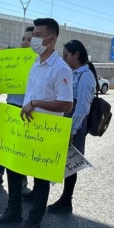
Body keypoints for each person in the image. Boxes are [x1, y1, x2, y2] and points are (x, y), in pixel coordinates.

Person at [0, 18, 73, 228]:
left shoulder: (60, 69)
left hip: (45, 133)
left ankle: (34, 221)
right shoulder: (35, 64)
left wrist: (36, 103)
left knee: (40, 180)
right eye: (33, 34)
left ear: (52, 38)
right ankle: (14, 211)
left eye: (38, 35)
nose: (34, 39)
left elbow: (67, 104)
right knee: (13, 168)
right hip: (25, 128)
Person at [47, 40, 98, 214]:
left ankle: (66, 199)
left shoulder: (86, 75)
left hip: (75, 122)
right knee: (53, 157)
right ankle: (40, 192)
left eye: (66, 55)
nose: (64, 58)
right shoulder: (73, 72)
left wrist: (73, 129)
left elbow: (83, 106)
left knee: (71, 161)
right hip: (65, 120)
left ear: (76, 55)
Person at [0, 26, 35, 195]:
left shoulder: (38, 62)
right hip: (11, 106)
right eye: (23, 39)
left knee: (21, 147)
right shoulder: (11, 60)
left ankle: (21, 178)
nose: (25, 43)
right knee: (3, 145)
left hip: (29, 110)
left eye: (30, 40)